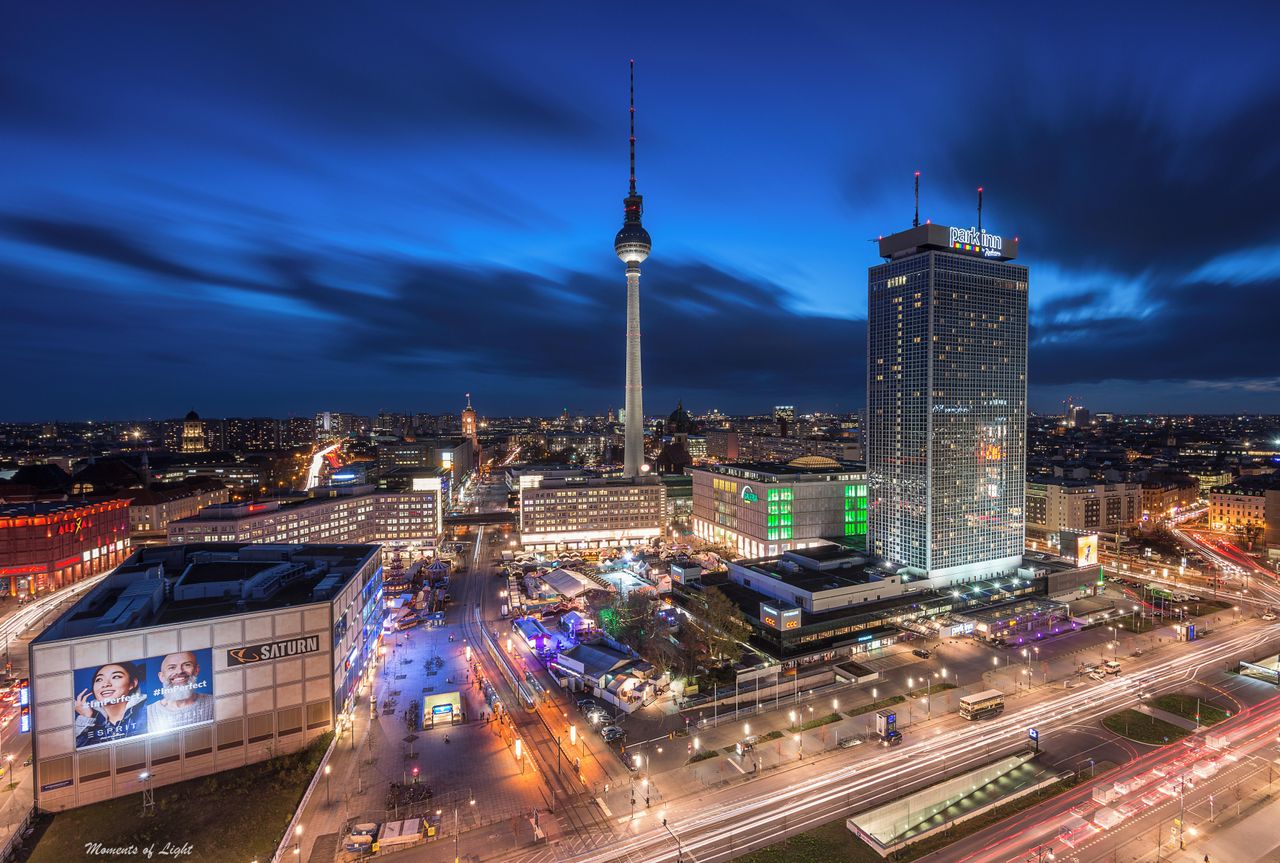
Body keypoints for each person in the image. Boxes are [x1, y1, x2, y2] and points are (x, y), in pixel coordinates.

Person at [74, 661, 148, 747]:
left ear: (132, 683)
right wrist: (85, 718)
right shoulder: (86, 717)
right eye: (99, 679)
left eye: (116, 677)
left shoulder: (147, 708)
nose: (105, 684)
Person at [146, 651, 214, 732]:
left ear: (196, 670)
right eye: (171, 667)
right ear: (162, 676)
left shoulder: (214, 702)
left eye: (187, 665)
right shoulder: (148, 712)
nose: (179, 671)